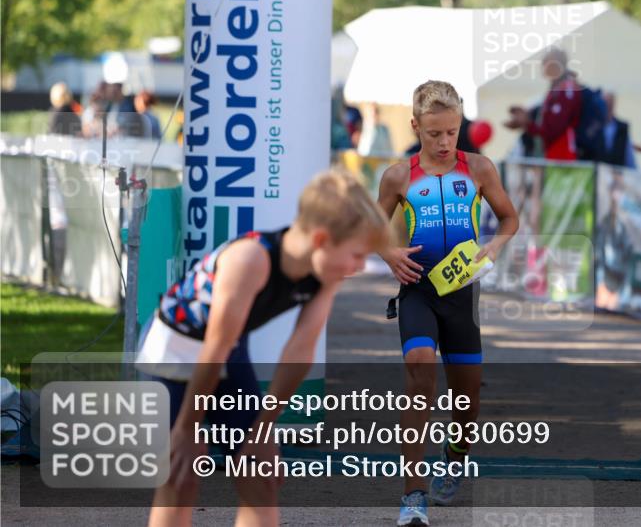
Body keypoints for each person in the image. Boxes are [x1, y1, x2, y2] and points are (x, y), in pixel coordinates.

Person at [139, 168, 390, 527]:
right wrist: (184, 430)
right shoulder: (250, 260)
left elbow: (299, 352)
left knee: (261, 474)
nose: (360, 266)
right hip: (174, 347)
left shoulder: (325, 275)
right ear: (321, 240)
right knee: (181, 476)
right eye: (356, 255)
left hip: (225, 349)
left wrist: (262, 430)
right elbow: (215, 347)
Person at [377, 81, 519, 526]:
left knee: (466, 399)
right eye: (434, 133)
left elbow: (510, 218)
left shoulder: (478, 169)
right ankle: (412, 495)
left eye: (452, 133)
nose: (443, 143)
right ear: (416, 126)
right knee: (419, 368)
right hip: (418, 291)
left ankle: (455, 457)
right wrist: (389, 253)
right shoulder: (399, 176)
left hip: (461, 299)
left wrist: (492, 249)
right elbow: (370, 228)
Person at [504, 47, 582, 161]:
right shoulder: (557, 88)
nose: (543, 67)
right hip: (554, 157)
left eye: (547, 63)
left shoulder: (566, 89)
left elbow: (553, 129)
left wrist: (527, 123)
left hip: (562, 159)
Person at [597, 91, 636, 167]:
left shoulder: (622, 128)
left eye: (610, 103)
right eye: (605, 103)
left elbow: (629, 159)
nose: (607, 107)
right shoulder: (594, 128)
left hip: (616, 176)